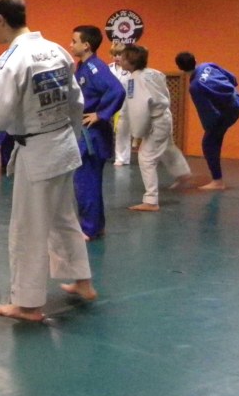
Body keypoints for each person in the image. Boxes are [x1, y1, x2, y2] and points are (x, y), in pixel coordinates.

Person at [0, 0, 96, 322]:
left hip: (38, 151)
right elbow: (76, 102)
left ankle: (28, 304)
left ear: (0, 20)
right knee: (64, 218)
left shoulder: (12, 60)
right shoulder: (56, 50)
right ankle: (82, 282)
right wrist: (70, 135)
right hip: (63, 145)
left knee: (28, 229)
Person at [119, 44, 191, 211]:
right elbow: (165, 94)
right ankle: (182, 173)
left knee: (146, 158)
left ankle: (151, 200)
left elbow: (139, 108)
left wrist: (137, 134)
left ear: (130, 61)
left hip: (154, 121)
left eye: (122, 58)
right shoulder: (154, 73)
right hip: (164, 115)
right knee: (167, 146)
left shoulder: (134, 81)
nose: (119, 60)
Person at [69, 25, 125, 239]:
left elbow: (117, 90)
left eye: (74, 41)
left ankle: (88, 228)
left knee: (86, 183)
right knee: (89, 182)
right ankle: (95, 225)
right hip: (87, 132)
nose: (70, 45)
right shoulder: (83, 66)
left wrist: (101, 114)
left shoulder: (95, 67)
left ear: (86, 45)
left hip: (91, 134)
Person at [175, 52, 239, 190]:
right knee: (215, 137)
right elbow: (232, 78)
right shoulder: (208, 65)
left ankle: (217, 182)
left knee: (209, 144)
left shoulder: (195, 86)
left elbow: (206, 111)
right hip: (236, 100)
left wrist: (210, 128)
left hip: (227, 112)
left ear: (180, 68)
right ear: (195, 60)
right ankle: (217, 180)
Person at [109, 41, 132, 165]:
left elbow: (131, 89)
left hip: (125, 104)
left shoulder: (129, 71)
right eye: (115, 55)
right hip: (110, 103)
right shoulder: (108, 69)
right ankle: (109, 154)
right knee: (109, 130)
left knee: (122, 131)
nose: (117, 57)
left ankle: (122, 157)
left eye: (119, 55)